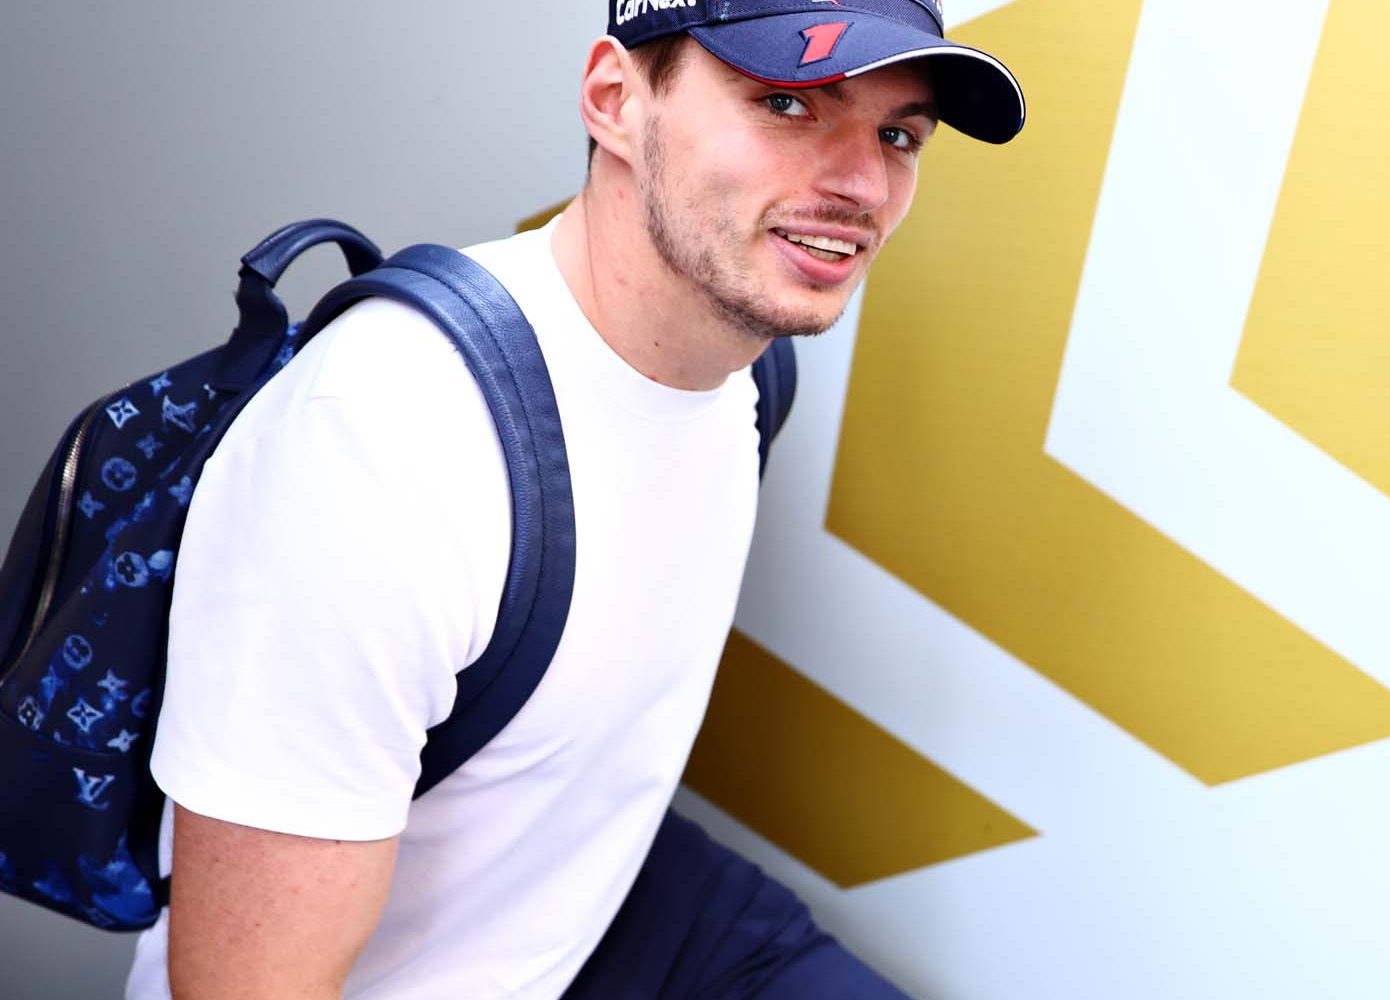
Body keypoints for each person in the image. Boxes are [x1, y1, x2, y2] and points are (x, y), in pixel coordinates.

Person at [123, 1, 1023, 997]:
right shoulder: (384, 449)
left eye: (898, 133)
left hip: (598, 895)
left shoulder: (746, 373)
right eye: (786, 102)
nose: (863, 183)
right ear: (614, 101)